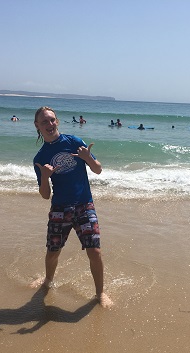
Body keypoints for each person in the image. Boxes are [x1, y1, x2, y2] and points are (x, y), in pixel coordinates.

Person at [33, 106, 112, 308]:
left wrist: (87, 158)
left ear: (57, 121)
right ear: (37, 126)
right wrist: (44, 177)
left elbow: (98, 169)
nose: (49, 124)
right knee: (53, 252)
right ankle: (48, 281)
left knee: (94, 251)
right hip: (60, 207)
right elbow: (45, 195)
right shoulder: (40, 158)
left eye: (52, 120)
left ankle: (100, 294)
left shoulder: (75, 142)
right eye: (44, 122)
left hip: (84, 204)